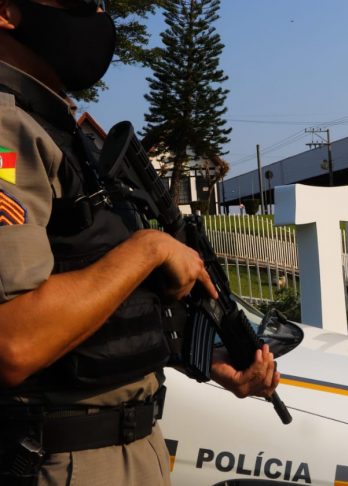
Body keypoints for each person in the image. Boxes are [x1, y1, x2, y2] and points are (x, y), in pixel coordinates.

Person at [0, 0, 280, 484]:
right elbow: (14, 341)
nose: (96, 13)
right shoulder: (7, 134)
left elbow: (94, 296)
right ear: (7, 11)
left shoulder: (57, 127)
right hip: (66, 459)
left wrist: (207, 362)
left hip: (130, 444)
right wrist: (148, 250)